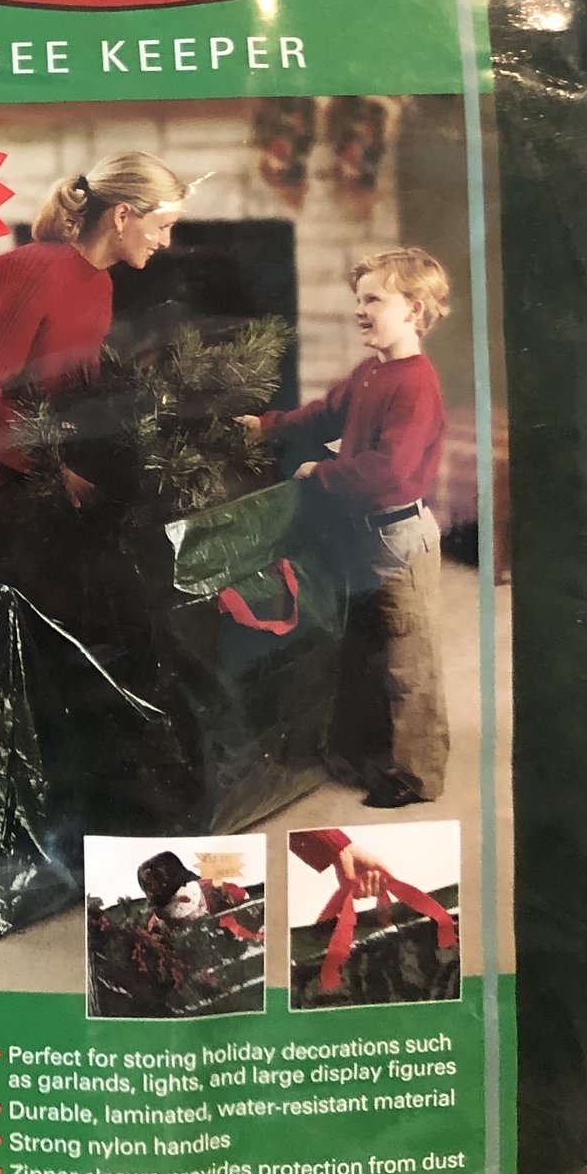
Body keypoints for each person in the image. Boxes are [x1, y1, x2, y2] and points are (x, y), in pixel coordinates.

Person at [239, 248, 451, 807]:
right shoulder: (372, 371)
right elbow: (325, 414)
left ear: (414, 309)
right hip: (364, 536)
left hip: (399, 541)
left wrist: (320, 473)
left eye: (373, 300)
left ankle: (419, 774)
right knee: (367, 650)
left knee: (409, 662)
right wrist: (268, 426)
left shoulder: (416, 383)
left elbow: (391, 470)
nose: (360, 310)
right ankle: (371, 752)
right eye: (358, 299)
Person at [0, 151, 195, 539]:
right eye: (163, 226)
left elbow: (72, 390)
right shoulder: (36, 272)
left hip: (2, 451)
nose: (166, 242)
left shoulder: (98, 284)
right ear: (122, 216)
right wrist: (53, 470)